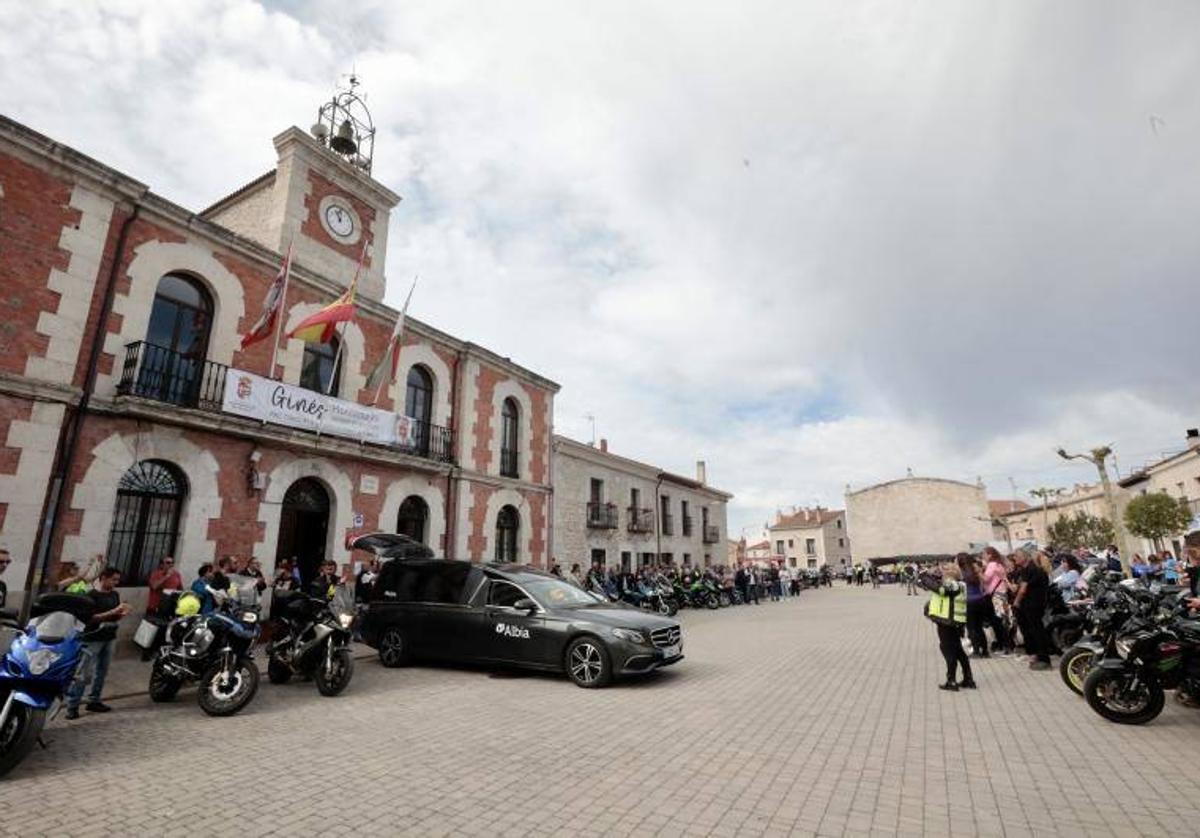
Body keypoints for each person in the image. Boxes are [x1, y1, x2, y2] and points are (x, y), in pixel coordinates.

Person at [65, 567, 132, 719]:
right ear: (103, 578)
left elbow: (115, 617)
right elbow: (90, 618)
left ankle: (94, 700)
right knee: (83, 673)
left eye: (117, 580)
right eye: (113, 579)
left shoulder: (115, 594)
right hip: (92, 638)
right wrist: (113, 612)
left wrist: (121, 613)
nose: (116, 583)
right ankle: (72, 705)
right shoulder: (91, 595)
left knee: (102, 671)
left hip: (109, 637)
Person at [922, 561, 974, 691]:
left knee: (948, 650)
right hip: (955, 621)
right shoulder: (959, 584)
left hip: (948, 621)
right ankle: (968, 678)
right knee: (958, 650)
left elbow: (940, 590)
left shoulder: (952, 584)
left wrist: (925, 576)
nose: (941, 573)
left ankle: (951, 680)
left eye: (943, 570)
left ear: (949, 572)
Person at [1011, 549, 1051, 670]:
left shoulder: (1032, 569)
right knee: (1032, 631)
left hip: (1033, 605)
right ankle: (1037, 656)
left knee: (1037, 631)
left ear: (1026, 557)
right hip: (1032, 605)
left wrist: (1016, 602)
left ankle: (1044, 658)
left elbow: (1023, 589)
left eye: (1017, 556)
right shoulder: (1027, 570)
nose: (1015, 559)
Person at [982, 547, 1013, 655]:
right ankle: (1007, 643)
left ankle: (1005, 645)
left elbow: (986, 579)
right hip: (1002, 593)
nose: (983, 556)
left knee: (998, 620)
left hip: (996, 594)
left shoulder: (992, 565)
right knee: (1003, 619)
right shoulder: (999, 564)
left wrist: (978, 573)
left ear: (990, 555)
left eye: (984, 554)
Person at [960, 554, 988, 658]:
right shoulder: (975, 570)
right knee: (979, 627)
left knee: (971, 627)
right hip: (980, 599)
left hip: (969, 601)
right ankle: (985, 651)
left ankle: (976, 651)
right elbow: (983, 583)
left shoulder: (962, 573)